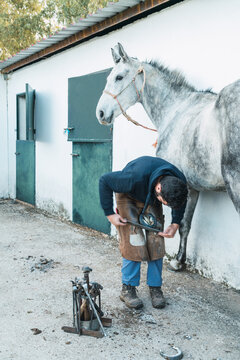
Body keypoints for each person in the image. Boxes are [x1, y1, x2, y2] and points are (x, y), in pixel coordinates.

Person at [99, 156, 188, 310]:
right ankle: (128, 288)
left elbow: (179, 202)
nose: (165, 205)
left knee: (156, 241)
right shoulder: (131, 179)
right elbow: (104, 180)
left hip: (150, 195)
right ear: (159, 188)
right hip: (129, 195)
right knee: (135, 241)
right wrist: (110, 214)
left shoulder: (178, 182)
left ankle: (155, 288)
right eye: (164, 202)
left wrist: (175, 224)